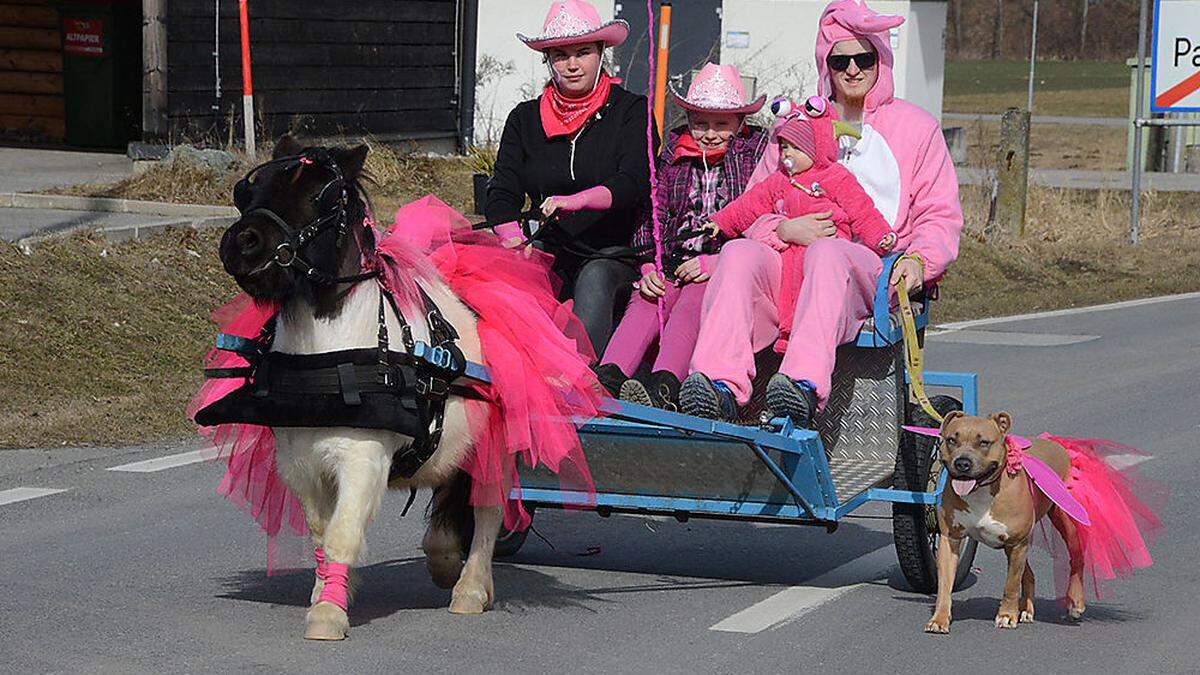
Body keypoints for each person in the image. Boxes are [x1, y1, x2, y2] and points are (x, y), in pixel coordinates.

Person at [680, 0, 963, 426]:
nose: (852, 69)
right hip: (790, 258)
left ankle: (802, 386)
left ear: (881, 60)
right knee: (738, 255)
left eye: (863, 58)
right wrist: (785, 228)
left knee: (828, 254)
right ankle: (718, 387)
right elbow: (758, 202)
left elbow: (939, 216)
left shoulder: (916, 128)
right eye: (840, 60)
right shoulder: (798, 125)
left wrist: (920, 261)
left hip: (872, 266)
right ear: (825, 64)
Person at [593, 63, 768, 407]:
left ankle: (665, 384)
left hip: (720, 262)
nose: (709, 134)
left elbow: (760, 216)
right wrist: (647, 265)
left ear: (740, 123)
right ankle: (610, 377)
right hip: (673, 258)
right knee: (648, 299)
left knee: (690, 306)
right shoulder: (673, 158)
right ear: (688, 120)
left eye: (722, 125)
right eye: (700, 123)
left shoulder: (753, 160)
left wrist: (716, 262)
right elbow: (652, 215)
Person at [486, 0, 652, 355]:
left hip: (614, 249)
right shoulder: (523, 118)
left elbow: (634, 183)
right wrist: (512, 237)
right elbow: (503, 190)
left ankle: (580, 380)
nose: (573, 65)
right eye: (560, 55)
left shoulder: (632, 110)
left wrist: (578, 200)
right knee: (510, 276)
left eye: (583, 52)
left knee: (595, 277)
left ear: (601, 53)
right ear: (548, 59)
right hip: (550, 244)